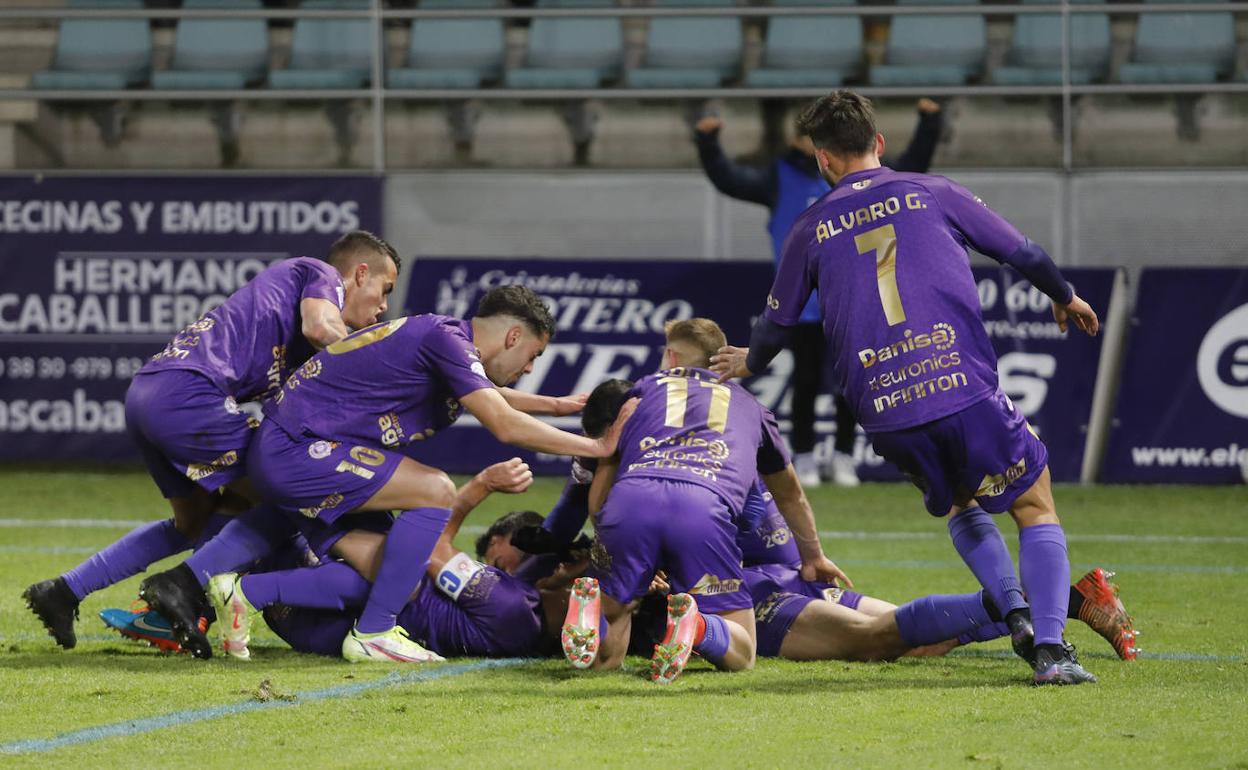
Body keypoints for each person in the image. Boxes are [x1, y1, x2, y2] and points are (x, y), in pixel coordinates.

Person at [711, 90, 1102, 685]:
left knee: (959, 503)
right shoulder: (932, 191)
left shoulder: (811, 225)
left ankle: (1013, 610)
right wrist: (1063, 293)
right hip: (958, 385)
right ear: (880, 144)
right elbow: (1020, 250)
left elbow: (778, 322)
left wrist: (752, 362)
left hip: (886, 409)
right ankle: (1050, 648)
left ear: (822, 159)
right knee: (1033, 502)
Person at [138, 285, 632, 663]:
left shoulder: (447, 342)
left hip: (301, 453)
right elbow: (501, 422)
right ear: (513, 336)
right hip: (300, 451)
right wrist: (596, 446)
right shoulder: (447, 340)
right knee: (435, 489)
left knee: (393, 569)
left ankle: (242, 593)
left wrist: (556, 405)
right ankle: (374, 632)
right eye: (534, 357)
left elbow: (491, 394)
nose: (529, 369)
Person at [22, 230, 400, 650]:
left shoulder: (298, 349)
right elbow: (321, 326)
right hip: (190, 395)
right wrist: (378, 362)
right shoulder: (321, 274)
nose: (384, 307)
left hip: (149, 393)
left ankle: (63, 591)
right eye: (385, 290)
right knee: (283, 496)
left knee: (195, 520)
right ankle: (182, 591)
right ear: (360, 274)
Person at [563, 341, 850, 684]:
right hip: (703, 514)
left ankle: (592, 611)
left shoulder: (639, 395)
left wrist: (631, 550)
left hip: (627, 506)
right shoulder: (748, 407)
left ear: (672, 357)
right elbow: (785, 497)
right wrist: (813, 556)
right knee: (743, 654)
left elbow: (599, 501)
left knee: (609, 639)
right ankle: (697, 626)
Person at [694, 100, 944, 488]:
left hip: (854, 302)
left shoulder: (863, 172)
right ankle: (807, 457)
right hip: (805, 308)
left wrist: (929, 124)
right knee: (806, 382)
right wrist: (708, 142)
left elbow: (913, 165)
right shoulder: (778, 177)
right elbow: (729, 178)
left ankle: (844, 457)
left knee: (854, 385)